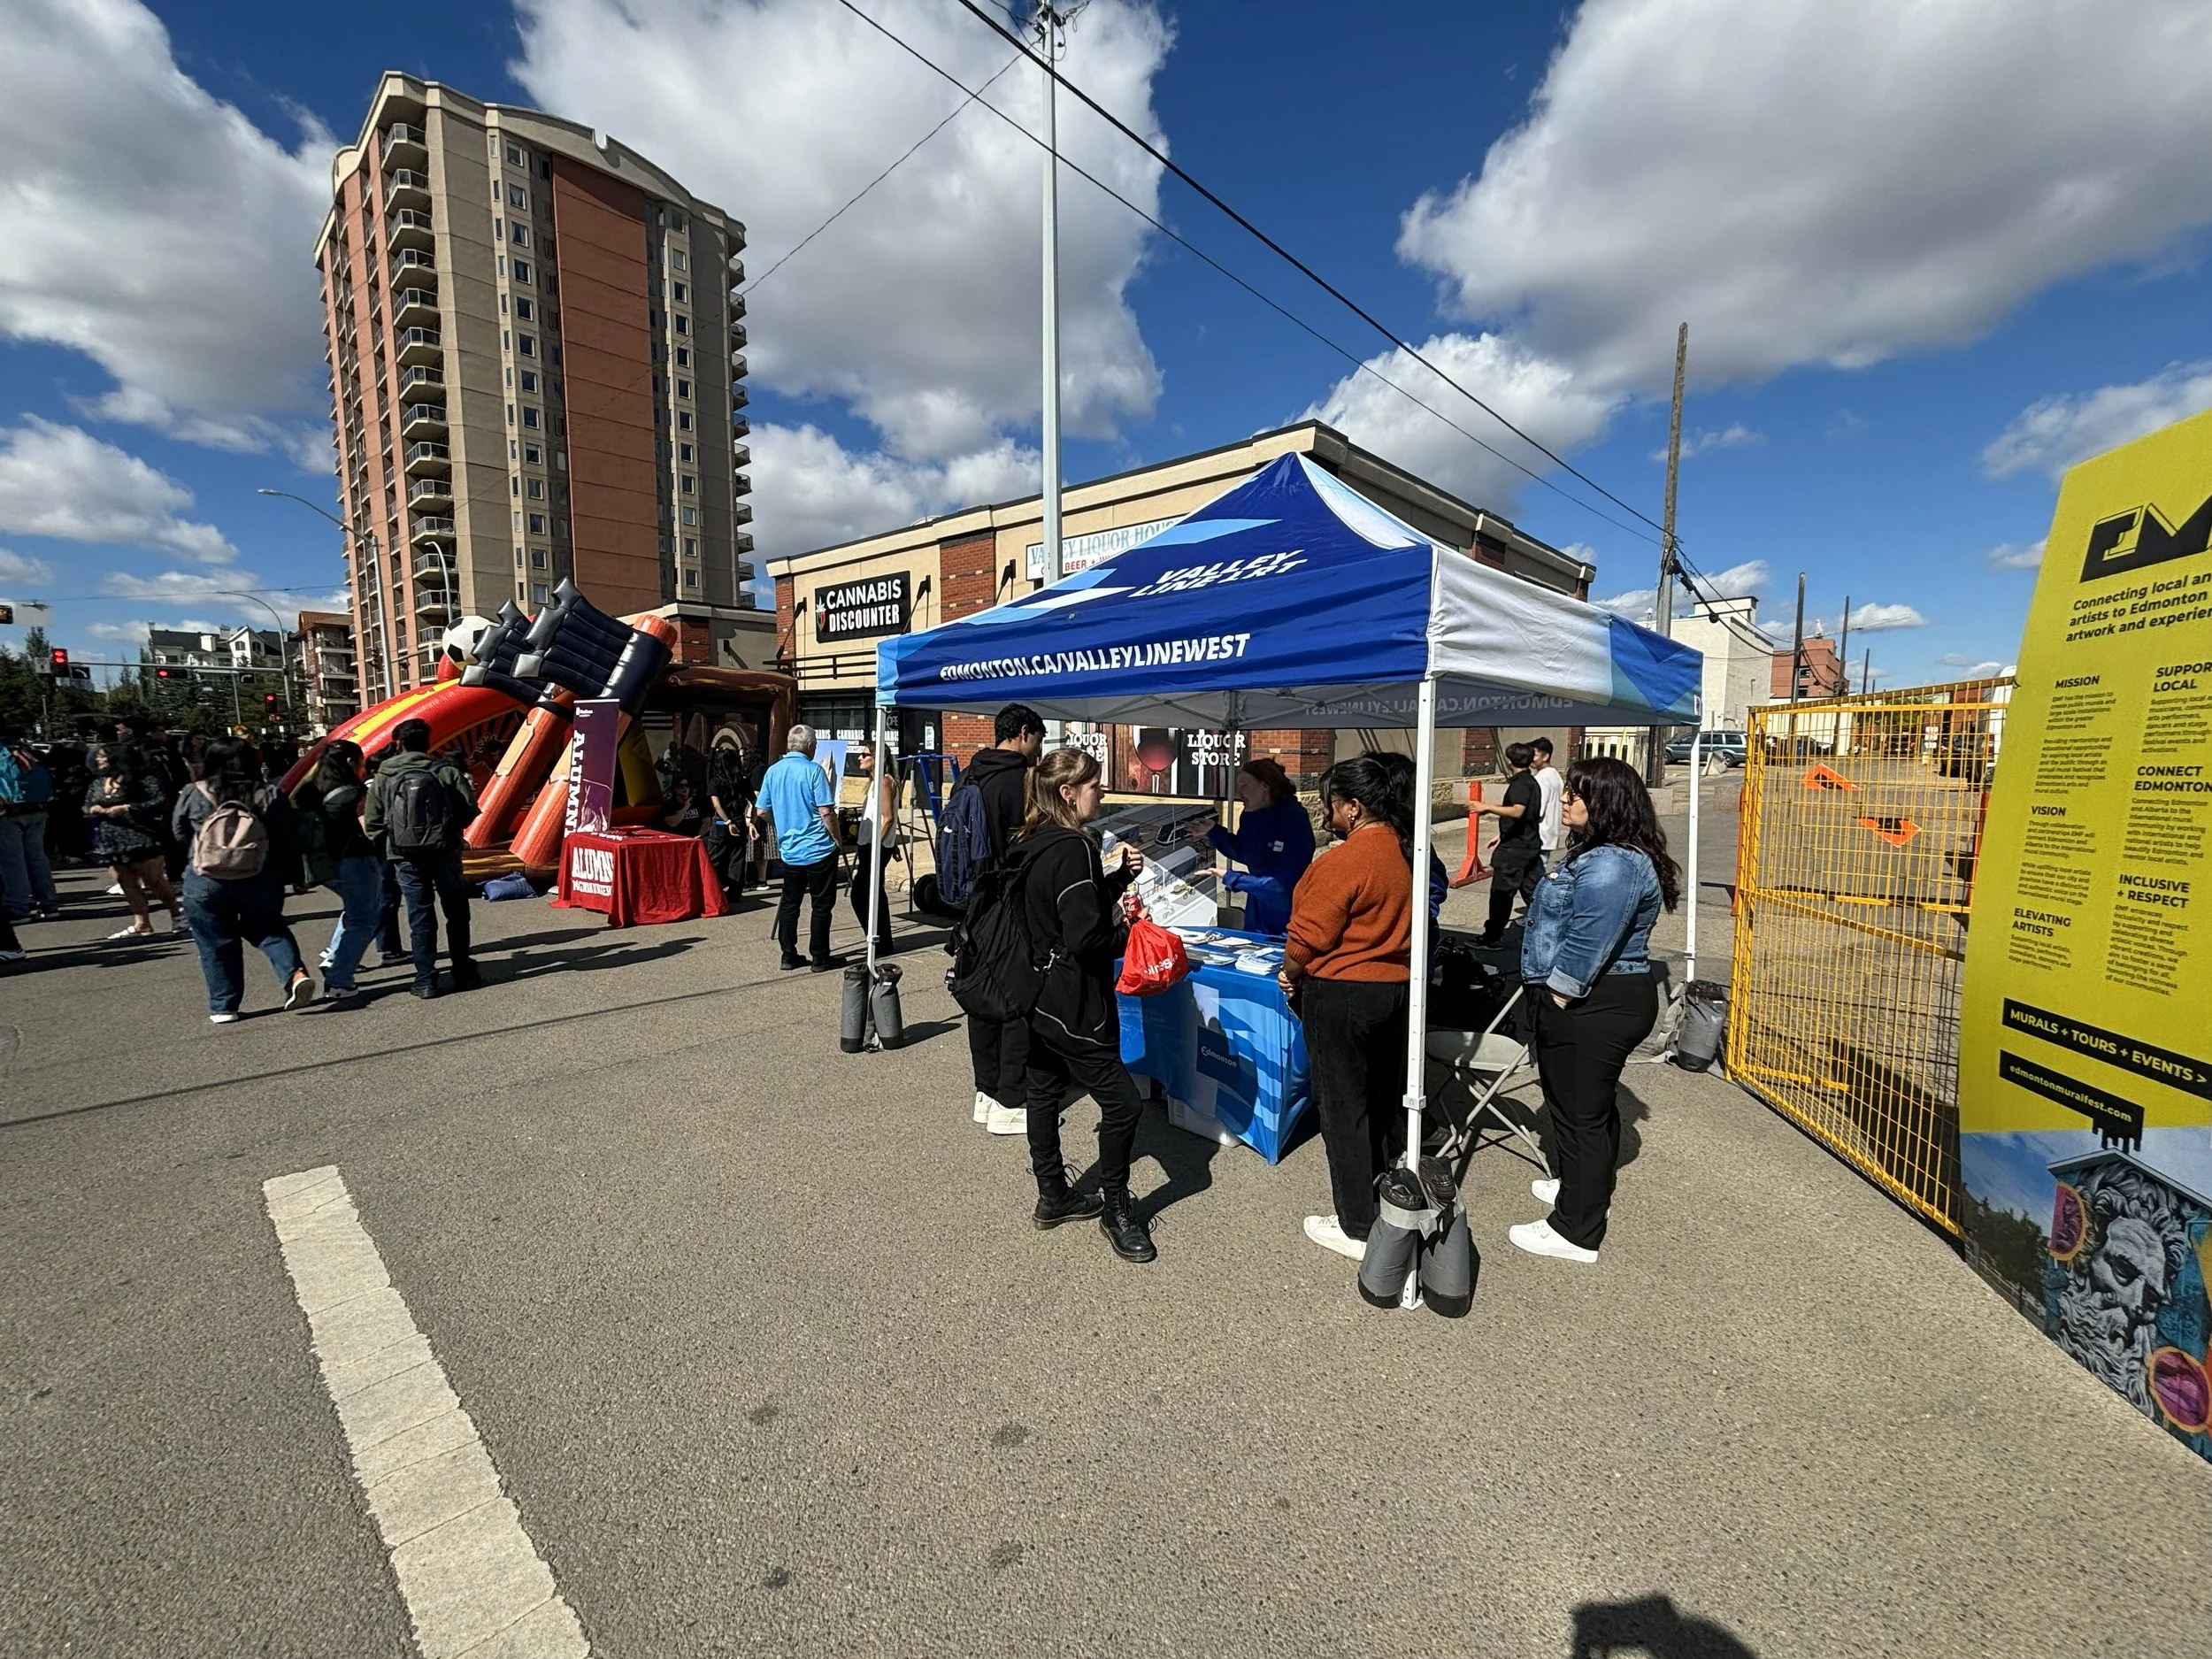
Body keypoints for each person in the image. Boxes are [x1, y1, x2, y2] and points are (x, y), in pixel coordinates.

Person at [1510, 755, 1678, 1265]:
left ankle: (1576, 1228)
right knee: (1582, 1105)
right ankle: (1577, 1187)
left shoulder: (1613, 863)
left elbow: (1590, 938)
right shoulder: (1602, 854)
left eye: (1576, 795)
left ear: (1606, 803)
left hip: (1594, 998)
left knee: (1580, 1112)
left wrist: (1560, 993)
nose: (1564, 800)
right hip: (1597, 996)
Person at [1007, 746, 1156, 1263]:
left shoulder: (1034, 840)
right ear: (1068, 793)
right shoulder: (1072, 847)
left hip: (1036, 993)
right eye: (1094, 785)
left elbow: (1065, 911)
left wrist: (1117, 879)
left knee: (1044, 1088)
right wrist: (1130, 932)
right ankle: (1116, 1207)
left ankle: (1053, 1194)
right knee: (1123, 1104)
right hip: (1072, 1001)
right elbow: (1085, 938)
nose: (1102, 792)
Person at [1280, 755, 1415, 1263]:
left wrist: (1290, 972)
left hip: (1344, 992)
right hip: (1392, 990)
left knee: (1342, 1106)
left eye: (1332, 803)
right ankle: (1378, 1187)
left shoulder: (1346, 860)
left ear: (1353, 808)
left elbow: (1307, 938)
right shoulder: (1402, 849)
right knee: (1376, 1096)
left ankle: (1357, 1223)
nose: (1325, 811)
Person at [173, 737, 315, 1023]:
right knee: (269, 929)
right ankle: (294, 974)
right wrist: (298, 876)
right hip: (259, 874)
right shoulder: (269, 794)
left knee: (214, 941)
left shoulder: (193, 792)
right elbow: (288, 839)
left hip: (205, 878)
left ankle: (224, 1006)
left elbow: (178, 832)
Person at [959, 703, 1045, 1134]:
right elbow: (1030, 845)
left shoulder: (970, 773)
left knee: (982, 998)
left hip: (974, 904)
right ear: (1024, 733)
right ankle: (1011, 1101)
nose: (1038, 750)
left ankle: (985, 1092)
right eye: (1039, 740)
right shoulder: (1020, 780)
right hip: (1011, 902)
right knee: (1016, 999)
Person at [365, 718, 481, 999]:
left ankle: (426, 979)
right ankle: (462, 970)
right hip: (445, 853)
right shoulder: (446, 772)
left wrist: (395, 844)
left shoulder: (384, 776)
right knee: (456, 913)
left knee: (420, 915)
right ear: (428, 743)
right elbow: (468, 811)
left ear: (398, 744)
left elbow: (373, 823)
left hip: (405, 857)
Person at [756, 724, 844, 972]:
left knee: (790, 902)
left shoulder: (773, 771)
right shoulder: (814, 771)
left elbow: (761, 811)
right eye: (814, 745)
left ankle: (788, 953)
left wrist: (782, 823)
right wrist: (837, 838)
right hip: (818, 847)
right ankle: (820, 956)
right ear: (809, 746)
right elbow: (826, 811)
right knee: (821, 904)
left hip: (790, 848)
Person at [300, 740, 381, 1003]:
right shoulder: (350, 793)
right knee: (364, 920)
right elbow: (365, 826)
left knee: (354, 912)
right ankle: (339, 979)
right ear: (350, 762)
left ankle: (334, 957)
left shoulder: (311, 790)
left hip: (324, 863)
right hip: (356, 860)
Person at [1201, 757, 1314, 937]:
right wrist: (1214, 831)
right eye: (1238, 787)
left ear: (1265, 786)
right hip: (1257, 909)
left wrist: (1233, 878)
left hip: (1288, 915)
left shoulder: (1294, 821)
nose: (1239, 793)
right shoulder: (1250, 815)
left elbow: (1280, 885)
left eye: (1245, 786)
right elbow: (1244, 852)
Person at [83, 742, 181, 938]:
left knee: (154, 881)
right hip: (110, 838)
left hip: (141, 835)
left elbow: (160, 801)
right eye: (98, 756)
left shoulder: (143, 780)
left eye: (104, 756)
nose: (99, 760)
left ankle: (178, 916)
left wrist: (128, 808)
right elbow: (87, 804)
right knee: (126, 882)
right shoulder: (97, 782)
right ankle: (142, 924)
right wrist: (92, 810)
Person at [1472, 742, 1543, 944]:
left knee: (1501, 895)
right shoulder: (1531, 782)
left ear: (1509, 761)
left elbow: (1518, 810)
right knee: (1534, 892)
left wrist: (1485, 806)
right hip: (1528, 845)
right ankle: (1548, 932)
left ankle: (1491, 937)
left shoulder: (1520, 784)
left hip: (1515, 851)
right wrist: (1502, 835)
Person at [0, 729, 61, 923]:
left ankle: (18, 908)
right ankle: (49, 904)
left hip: (7, 811)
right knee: (37, 858)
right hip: (37, 808)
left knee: (12, 862)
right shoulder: (21, 748)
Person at [849, 758, 898, 956]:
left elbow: (888, 817)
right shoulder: (877, 781)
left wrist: (880, 843)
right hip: (870, 842)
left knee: (862, 894)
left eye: (865, 754)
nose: (860, 758)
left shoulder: (885, 781)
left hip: (874, 845)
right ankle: (881, 939)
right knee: (872, 892)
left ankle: (881, 939)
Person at [703, 727, 757, 902]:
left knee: (715, 857)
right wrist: (751, 821)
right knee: (737, 858)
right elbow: (755, 801)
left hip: (721, 823)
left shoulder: (716, 781)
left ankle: (712, 890)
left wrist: (727, 822)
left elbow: (716, 805)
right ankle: (734, 893)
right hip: (740, 820)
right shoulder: (742, 781)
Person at [1531, 736, 1565, 868]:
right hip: (1550, 833)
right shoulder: (1555, 775)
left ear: (1545, 756)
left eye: (1534, 755)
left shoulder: (1542, 778)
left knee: (1535, 875)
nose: (1531, 759)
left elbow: (1538, 809)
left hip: (1540, 834)